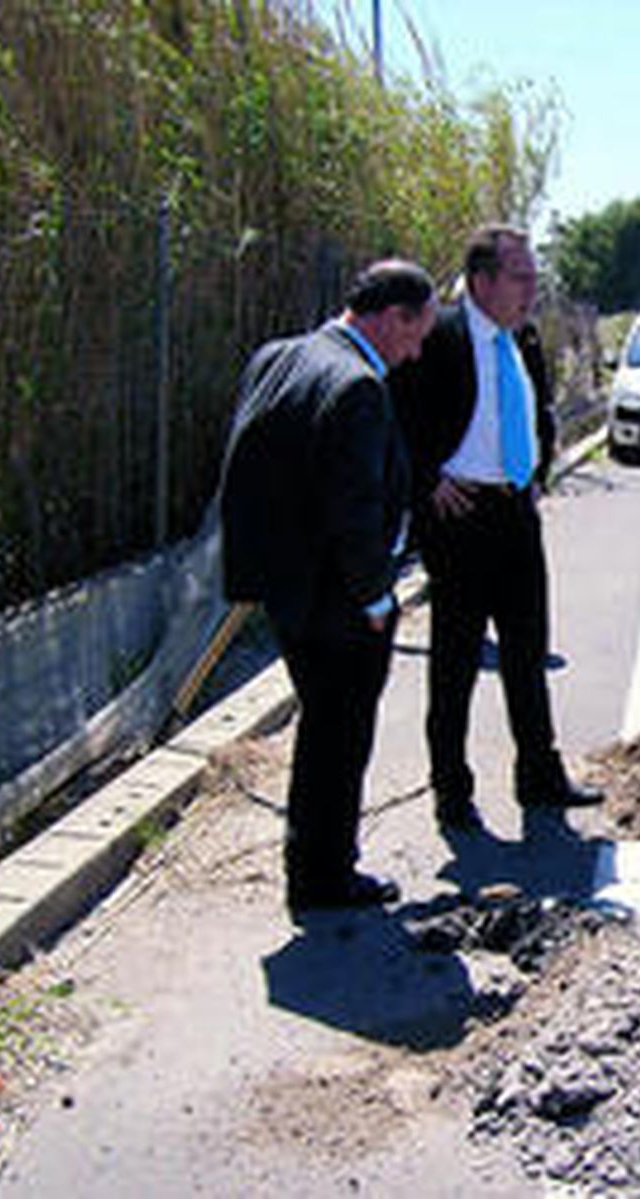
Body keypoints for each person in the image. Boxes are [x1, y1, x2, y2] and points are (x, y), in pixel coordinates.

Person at [219, 258, 438, 916]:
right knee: (339, 738)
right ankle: (324, 878)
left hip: (286, 585)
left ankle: (310, 862)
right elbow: (353, 510)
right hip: (338, 598)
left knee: (321, 729)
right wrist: (376, 597)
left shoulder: (279, 356)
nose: (416, 349)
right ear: (391, 314)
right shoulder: (358, 385)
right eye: (416, 332)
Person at [392, 224, 601, 831]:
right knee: (455, 661)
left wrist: (538, 470)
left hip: (515, 513)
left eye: (535, 278)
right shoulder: (441, 335)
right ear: (481, 281)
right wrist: (426, 479)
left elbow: (535, 409)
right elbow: (395, 413)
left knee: (526, 651)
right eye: (521, 277)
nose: (531, 289)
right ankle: (451, 792)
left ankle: (539, 775)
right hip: (460, 519)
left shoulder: (523, 337)